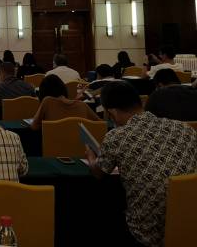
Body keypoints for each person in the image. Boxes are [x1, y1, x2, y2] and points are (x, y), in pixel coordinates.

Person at [85, 81, 197, 247]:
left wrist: (90, 157)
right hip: (191, 224)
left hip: (149, 233)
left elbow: (98, 173)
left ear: (112, 113)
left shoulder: (117, 136)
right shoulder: (185, 129)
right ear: (141, 103)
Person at [30, 75, 99, 130]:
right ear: (63, 88)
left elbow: (34, 126)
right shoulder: (82, 105)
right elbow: (100, 124)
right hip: (78, 143)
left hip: (54, 143)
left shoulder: (47, 101)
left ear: (43, 92)